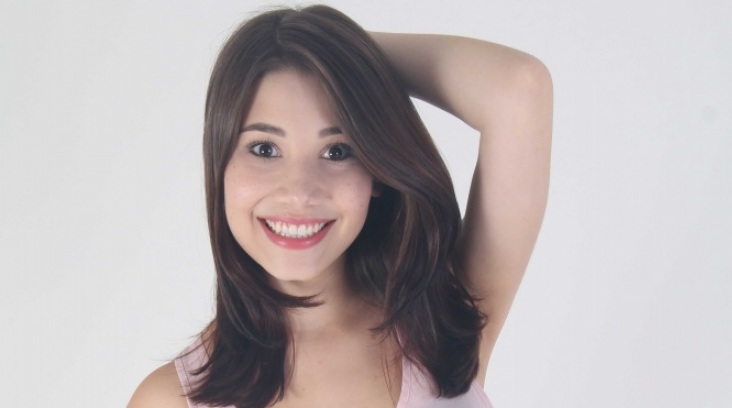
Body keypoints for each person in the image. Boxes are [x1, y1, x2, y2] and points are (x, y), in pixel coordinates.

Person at [128, 4, 552, 408]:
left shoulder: (443, 319)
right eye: (264, 148)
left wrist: (333, 49)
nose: (300, 193)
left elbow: (519, 87)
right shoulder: (172, 400)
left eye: (337, 151)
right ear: (220, 164)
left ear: (376, 171)